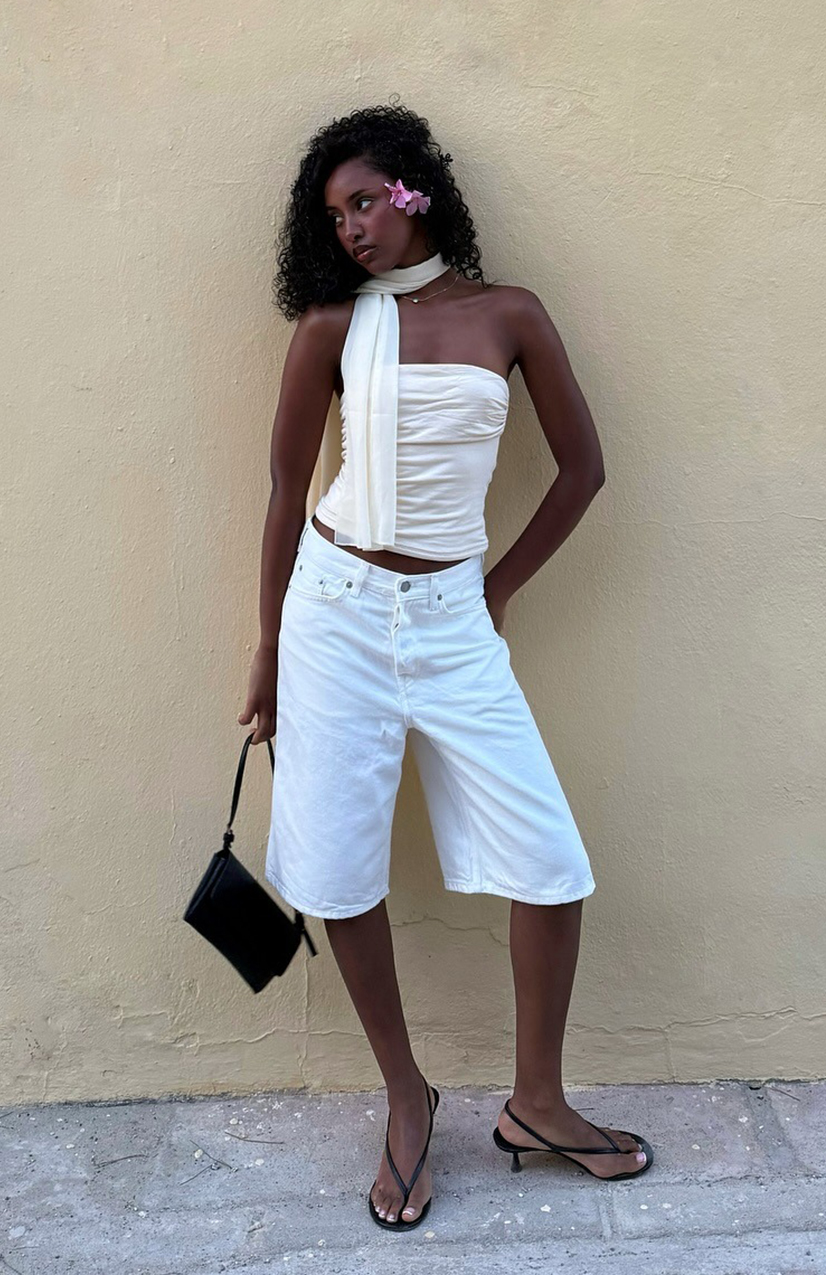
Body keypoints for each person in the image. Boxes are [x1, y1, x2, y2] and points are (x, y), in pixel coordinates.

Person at [239, 101, 653, 1232]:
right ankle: (406, 1097)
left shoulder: (509, 313)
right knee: (335, 869)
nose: (351, 229)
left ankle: (536, 1102)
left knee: (551, 863)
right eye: (333, 215)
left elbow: (582, 472)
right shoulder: (331, 324)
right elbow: (286, 490)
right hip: (333, 612)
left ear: (416, 191)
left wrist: (498, 586)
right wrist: (270, 646)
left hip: (453, 618)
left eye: (365, 200)